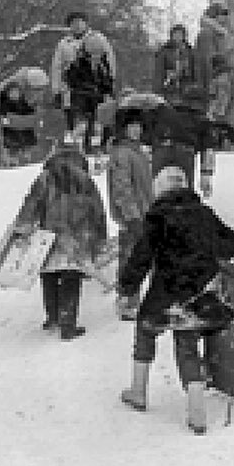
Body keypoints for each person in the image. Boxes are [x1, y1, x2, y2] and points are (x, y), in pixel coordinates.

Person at [117, 166, 234, 434]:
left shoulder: (158, 217)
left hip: (165, 291)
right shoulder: (204, 214)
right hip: (199, 292)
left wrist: (127, 285)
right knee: (186, 343)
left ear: (159, 189)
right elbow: (232, 243)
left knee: (145, 330)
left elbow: (142, 256)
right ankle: (197, 412)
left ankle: (138, 390)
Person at [11, 140, 109, 340]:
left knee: (49, 276)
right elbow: (97, 210)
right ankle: (68, 324)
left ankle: (53, 317)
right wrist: (100, 237)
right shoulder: (85, 180)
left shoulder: (45, 177)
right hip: (78, 239)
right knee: (71, 277)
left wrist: (22, 227)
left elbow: (32, 203)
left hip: (50, 237)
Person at [107, 107, 155, 320]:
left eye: (138, 126)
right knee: (130, 259)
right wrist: (131, 215)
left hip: (144, 212)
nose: (136, 130)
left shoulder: (137, 151)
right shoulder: (122, 153)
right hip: (132, 216)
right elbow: (122, 187)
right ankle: (127, 302)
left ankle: (142, 300)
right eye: (131, 126)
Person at [49, 10, 117, 154]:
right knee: (77, 117)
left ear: (86, 23)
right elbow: (57, 67)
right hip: (74, 88)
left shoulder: (98, 38)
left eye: (80, 22)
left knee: (99, 117)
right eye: (74, 23)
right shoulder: (64, 44)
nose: (77, 25)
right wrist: (56, 90)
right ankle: (77, 147)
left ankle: (99, 145)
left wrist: (110, 84)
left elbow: (109, 62)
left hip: (97, 87)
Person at [195, 0, 234, 127]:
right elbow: (206, 60)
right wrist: (211, 81)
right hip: (215, 79)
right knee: (213, 114)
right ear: (214, 15)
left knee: (222, 114)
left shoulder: (222, 34)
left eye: (226, 14)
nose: (225, 18)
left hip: (224, 76)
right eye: (222, 14)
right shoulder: (207, 33)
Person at [0, 72, 43, 167]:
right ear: (7, 93)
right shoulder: (5, 106)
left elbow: (33, 115)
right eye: (12, 92)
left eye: (17, 92)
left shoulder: (24, 104)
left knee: (27, 149)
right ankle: (12, 162)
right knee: (13, 150)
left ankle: (27, 161)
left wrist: (33, 117)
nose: (15, 95)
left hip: (26, 133)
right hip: (11, 134)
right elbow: (2, 119)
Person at [153, 23, 198, 105]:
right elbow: (159, 73)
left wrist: (195, 85)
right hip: (169, 88)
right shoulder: (164, 52)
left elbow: (194, 70)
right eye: (176, 34)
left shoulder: (190, 52)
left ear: (184, 36)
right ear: (171, 36)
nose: (178, 37)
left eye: (180, 34)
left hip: (186, 88)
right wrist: (158, 92)